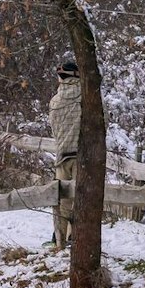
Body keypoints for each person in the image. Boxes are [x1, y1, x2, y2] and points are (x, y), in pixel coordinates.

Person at [50, 58, 81, 249]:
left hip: (62, 156)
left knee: (62, 201)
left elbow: (54, 129)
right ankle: (74, 238)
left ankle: (59, 240)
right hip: (81, 157)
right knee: (81, 200)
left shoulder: (55, 101)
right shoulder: (87, 97)